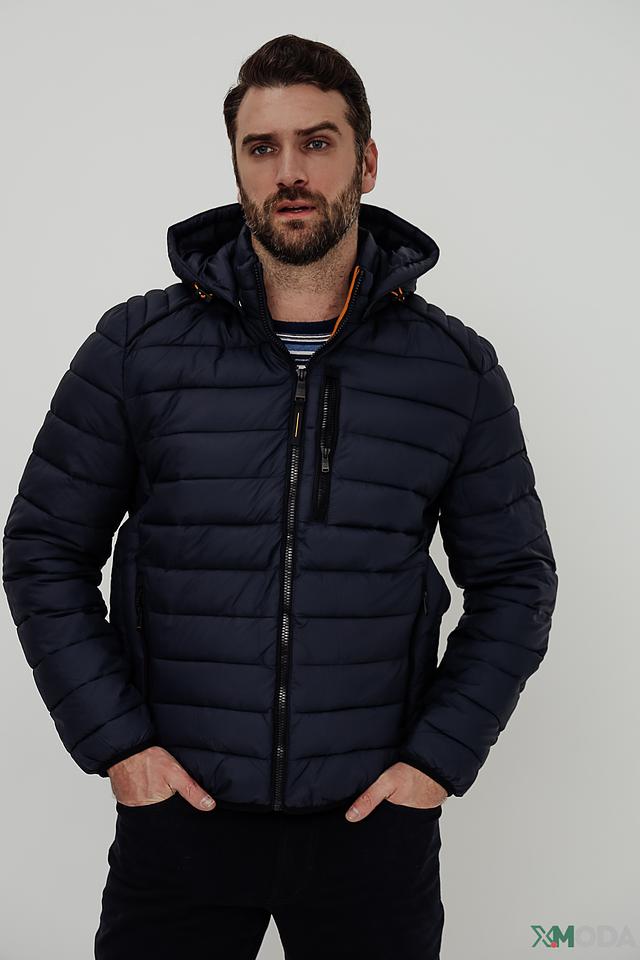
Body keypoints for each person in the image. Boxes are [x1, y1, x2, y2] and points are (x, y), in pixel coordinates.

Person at [1, 33, 558, 960]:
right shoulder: (137, 349)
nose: (289, 171)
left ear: (366, 163)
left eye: (317, 142)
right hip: (179, 820)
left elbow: (516, 581)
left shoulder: (453, 369)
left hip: (371, 830)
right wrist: (120, 747)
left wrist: (434, 763)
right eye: (262, 148)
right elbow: (43, 550)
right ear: (237, 167)